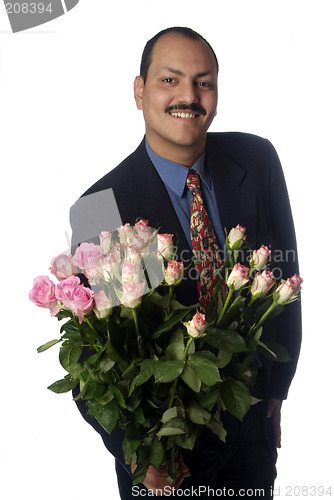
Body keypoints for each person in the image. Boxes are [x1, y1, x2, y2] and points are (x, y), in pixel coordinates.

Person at [70, 27, 302, 499]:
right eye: (170, 80)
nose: (188, 97)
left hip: (251, 426)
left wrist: (278, 389)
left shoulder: (257, 161)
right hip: (166, 453)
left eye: (204, 82)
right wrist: (138, 455)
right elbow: (94, 360)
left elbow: (285, 280)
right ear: (139, 91)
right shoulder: (101, 209)